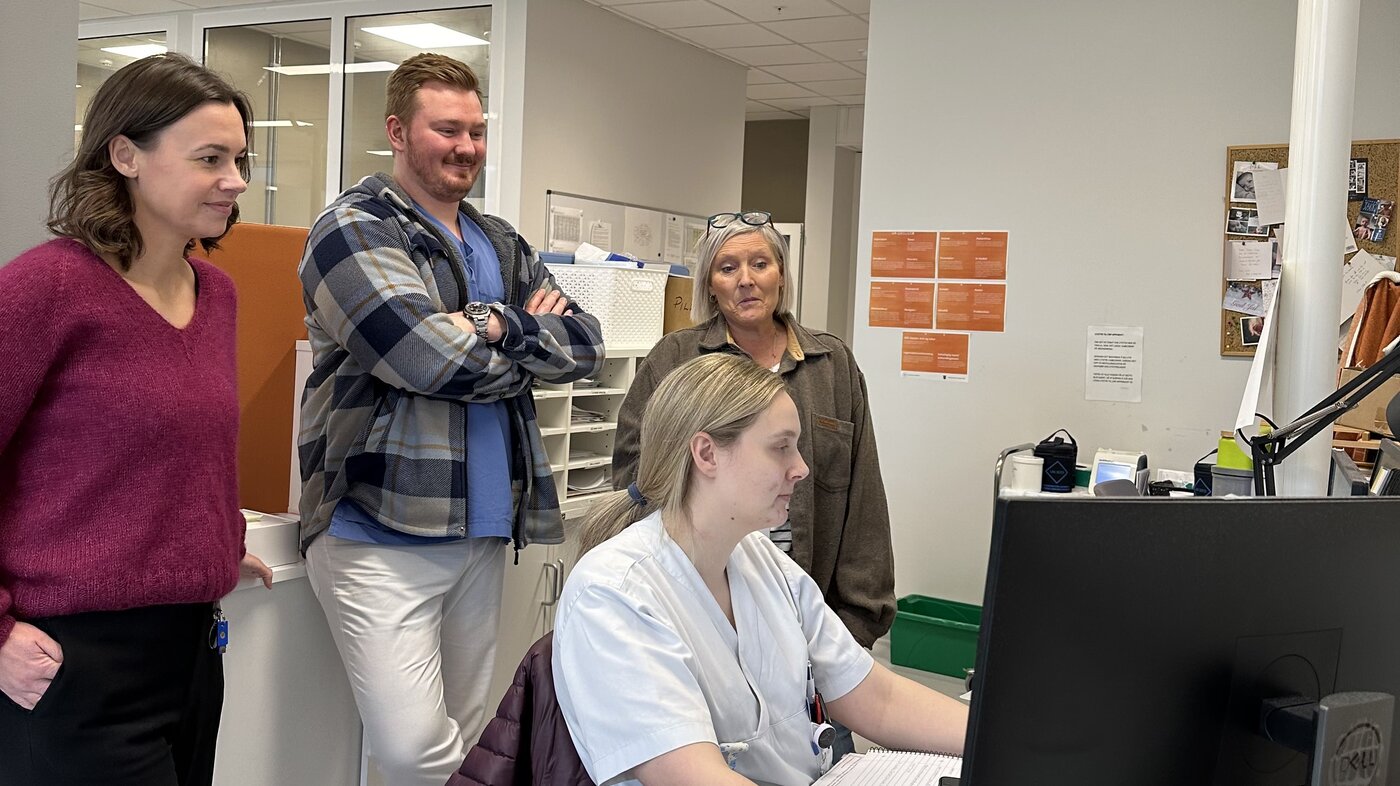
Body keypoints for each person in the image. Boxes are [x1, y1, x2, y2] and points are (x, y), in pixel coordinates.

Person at [297, 53, 604, 786]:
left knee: (467, 747)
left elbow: (586, 344)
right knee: (411, 749)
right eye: (446, 129)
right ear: (398, 131)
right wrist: (522, 342)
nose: (466, 146)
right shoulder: (352, 228)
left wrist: (491, 324)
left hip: (483, 528)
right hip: (379, 526)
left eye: (476, 130)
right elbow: (419, 357)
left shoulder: (498, 239)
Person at [0, 53, 272, 786]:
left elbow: (173, 446)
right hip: (70, 664)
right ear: (125, 155)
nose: (236, 180)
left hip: (189, 653)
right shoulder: (47, 287)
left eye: (240, 159)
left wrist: (200, 542)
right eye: (209, 158)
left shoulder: (216, 292)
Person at [556, 354, 968, 786]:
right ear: (707, 453)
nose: (802, 468)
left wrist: (999, 740)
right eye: (781, 447)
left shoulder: (759, 559)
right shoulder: (612, 594)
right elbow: (695, 778)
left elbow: (876, 699)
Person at [613, 210, 894, 760]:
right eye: (727, 268)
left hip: (811, 617)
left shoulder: (831, 365)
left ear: (781, 275)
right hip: (707, 607)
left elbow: (863, 498)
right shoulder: (675, 360)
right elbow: (635, 478)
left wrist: (851, 629)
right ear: (709, 287)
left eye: (759, 263)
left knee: (816, 762)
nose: (746, 279)